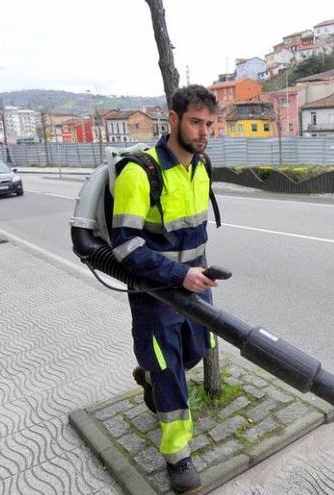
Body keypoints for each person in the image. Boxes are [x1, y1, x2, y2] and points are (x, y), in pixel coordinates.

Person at [109, 85, 218, 493]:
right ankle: (177, 456)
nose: (204, 130)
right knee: (170, 371)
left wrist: (202, 271)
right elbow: (125, 247)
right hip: (156, 295)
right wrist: (178, 276)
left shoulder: (201, 165)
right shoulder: (140, 172)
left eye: (209, 123)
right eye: (195, 121)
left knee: (195, 351)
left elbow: (197, 230)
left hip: (195, 288)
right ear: (172, 119)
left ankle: (149, 376)